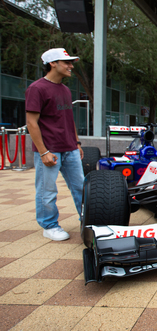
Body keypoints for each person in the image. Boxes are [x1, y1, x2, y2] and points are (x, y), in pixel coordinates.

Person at [25, 48, 85, 241]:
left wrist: (76, 143)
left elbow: (69, 119)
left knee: (81, 187)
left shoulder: (66, 90)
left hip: (70, 148)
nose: (71, 66)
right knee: (47, 190)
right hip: (49, 149)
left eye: (71, 62)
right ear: (53, 63)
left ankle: (88, 221)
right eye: (66, 62)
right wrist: (43, 152)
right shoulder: (37, 88)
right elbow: (31, 123)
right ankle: (49, 225)